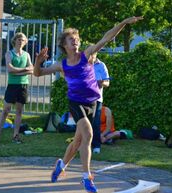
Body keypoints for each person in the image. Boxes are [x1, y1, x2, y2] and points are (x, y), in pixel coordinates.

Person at [34, 16, 143, 193]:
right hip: (76, 103)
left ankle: (61, 165)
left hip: (92, 102)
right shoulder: (61, 65)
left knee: (78, 142)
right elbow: (38, 74)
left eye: (77, 39)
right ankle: (87, 178)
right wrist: (38, 61)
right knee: (89, 135)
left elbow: (106, 38)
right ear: (64, 45)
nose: (76, 42)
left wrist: (123, 22)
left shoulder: (87, 54)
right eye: (72, 40)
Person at [0, 32, 34, 145]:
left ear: (25, 42)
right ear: (14, 41)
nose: (21, 42)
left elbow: (32, 69)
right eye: (19, 39)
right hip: (12, 86)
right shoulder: (9, 53)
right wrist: (24, 70)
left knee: (19, 111)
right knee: (5, 111)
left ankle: (16, 136)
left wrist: (19, 72)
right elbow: (10, 69)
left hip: (23, 86)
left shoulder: (27, 55)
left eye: (23, 40)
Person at [92, 53, 110, 154]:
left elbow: (107, 82)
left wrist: (101, 83)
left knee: (95, 123)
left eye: (92, 53)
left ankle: (96, 146)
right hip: (83, 98)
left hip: (97, 98)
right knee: (83, 123)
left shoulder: (101, 65)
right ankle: (82, 144)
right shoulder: (83, 64)